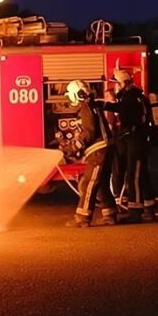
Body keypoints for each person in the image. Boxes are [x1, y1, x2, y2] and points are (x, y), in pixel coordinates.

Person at [64, 80, 118, 227]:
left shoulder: (86, 108)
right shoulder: (91, 105)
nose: (70, 99)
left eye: (71, 96)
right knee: (101, 185)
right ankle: (110, 214)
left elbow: (89, 132)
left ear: (77, 94)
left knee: (89, 183)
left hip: (98, 151)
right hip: (104, 149)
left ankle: (82, 217)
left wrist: (74, 147)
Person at [104, 69, 155, 223]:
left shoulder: (131, 98)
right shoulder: (135, 96)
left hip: (136, 140)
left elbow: (120, 108)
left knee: (134, 176)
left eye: (116, 84)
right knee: (142, 175)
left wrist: (102, 104)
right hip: (136, 139)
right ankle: (149, 208)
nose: (115, 87)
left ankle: (135, 211)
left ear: (124, 84)